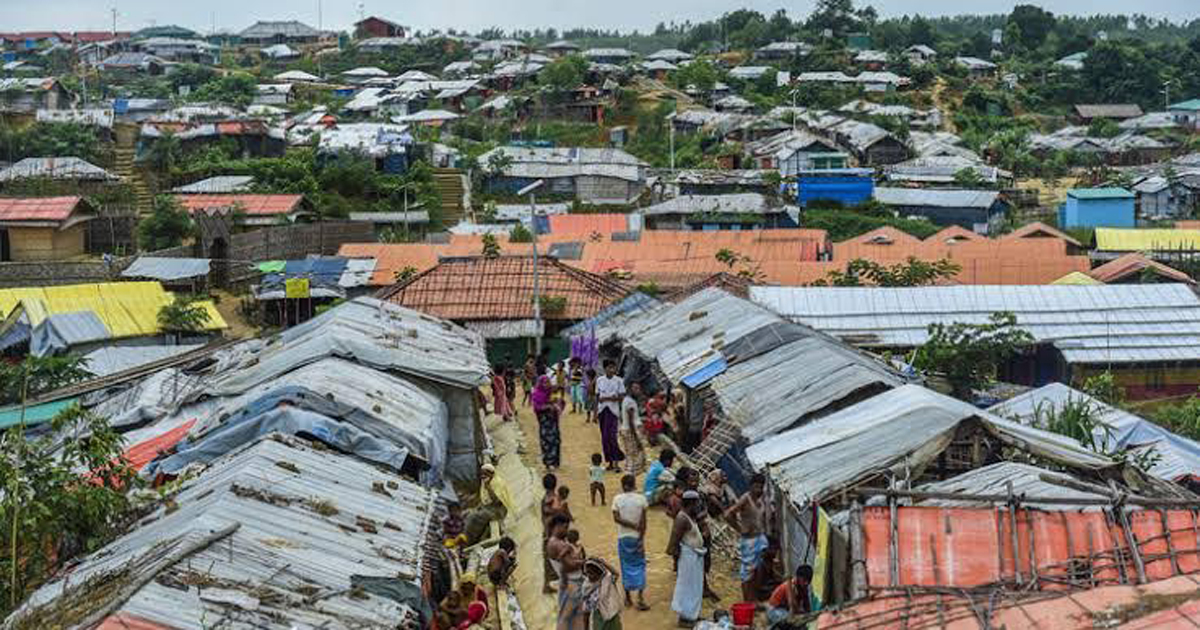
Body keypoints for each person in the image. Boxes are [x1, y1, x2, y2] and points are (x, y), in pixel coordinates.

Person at [724, 473, 770, 603]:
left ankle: (753, 599)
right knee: (747, 574)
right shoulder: (746, 498)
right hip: (749, 540)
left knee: (756, 571)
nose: (759, 490)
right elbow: (728, 514)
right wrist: (740, 529)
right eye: (756, 487)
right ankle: (747, 601)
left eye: (761, 487)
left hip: (759, 537)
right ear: (750, 486)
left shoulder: (760, 499)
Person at [668, 491, 707, 627]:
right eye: (696, 503)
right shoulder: (682, 518)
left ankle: (692, 615)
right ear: (691, 503)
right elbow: (673, 541)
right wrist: (678, 561)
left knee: (695, 587)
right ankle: (685, 618)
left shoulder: (690, 516)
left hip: (694, 557)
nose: (698, 505)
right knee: (688, 587)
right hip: (688, 558)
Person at [611, 474, 650, 611]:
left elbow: (616, 519)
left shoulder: (617, 499)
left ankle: (627, 597)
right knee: (640, 565)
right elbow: (644, 522)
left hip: (623, 537)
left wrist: (631, 525)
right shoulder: (642, 499)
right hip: (637, 537)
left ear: (623, 486)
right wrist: (640, 537)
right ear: (634, 484)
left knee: (625, 566)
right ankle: (640, 598)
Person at [547, 514, 588, 630]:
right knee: (567, 616)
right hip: (572, 583)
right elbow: (569, 565)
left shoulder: (555, 542)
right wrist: (585, 561)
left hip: (569, 582)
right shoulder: (558, 544)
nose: (566, 530)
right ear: (558, 526)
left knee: (572, 616)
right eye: (565, 527)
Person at [465, 463, 512, 544]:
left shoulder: (497, 483)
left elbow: (497, 501)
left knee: (475, 517)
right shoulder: (485, 482)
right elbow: (484, 500)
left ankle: (471, 540)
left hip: (498, 510)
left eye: (485, 474)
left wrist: (488, 487)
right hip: (490, 508)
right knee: (469, 515)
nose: (483, 476)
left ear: (491, 473)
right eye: (482, 474)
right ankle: (470, 538)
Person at [594, 360, 627, 470]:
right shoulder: (600, 380)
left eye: (613, 367)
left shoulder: (619, 381)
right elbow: (597, 397)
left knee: (612, 437)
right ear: (605, 368)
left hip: (613, 411)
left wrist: (611, 398)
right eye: (609, 367)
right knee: (604, 438)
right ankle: (610, 462)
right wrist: (595, 414)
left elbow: (622, 396)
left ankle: (617, 462)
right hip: (602, 411)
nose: (611, 370)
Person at [583, 557, 624, 630]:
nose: (589, 576)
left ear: (598, 573)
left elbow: (616, 573)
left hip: (612, 613)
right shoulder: (586, 586)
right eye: (587, 573)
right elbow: (586, 609)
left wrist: (604, 563)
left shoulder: (607, 580)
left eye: (592, 573)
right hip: (599, 617)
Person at [532, 375, 562, 470]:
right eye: (544, 382)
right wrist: (547, 407)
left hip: (553, 422)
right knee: (546, 442)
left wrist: (556, 405)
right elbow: (536, 407)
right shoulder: (537, 394)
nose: (546, 384)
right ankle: (548, 463)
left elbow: (560, 404)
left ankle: (556, 461)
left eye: (548, 382)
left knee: (556, 441)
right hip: (545, 423)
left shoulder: (552, 392)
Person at [542, 473, 563, 594]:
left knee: (548, 562)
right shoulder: (554, 499)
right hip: (553, 534)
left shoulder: (545, 498)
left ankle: (548, 585)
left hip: (548, 534)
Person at [620, 383, 647, 475]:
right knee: (633, 455)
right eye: (635, 388)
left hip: (626, 429)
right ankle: (630, 475)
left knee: (630, 454)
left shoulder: (626, 400)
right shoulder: (630, 402)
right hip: (631, 431)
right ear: (630, 389)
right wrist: (635, 436)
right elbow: (631, 419)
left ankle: (630, 475)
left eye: (638, 388)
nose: (638, 391)